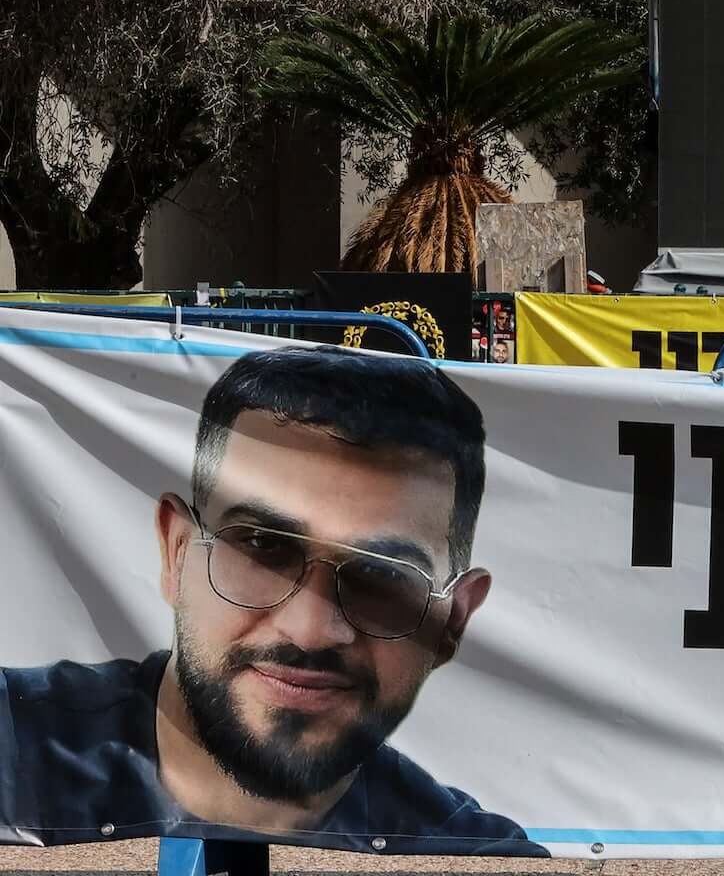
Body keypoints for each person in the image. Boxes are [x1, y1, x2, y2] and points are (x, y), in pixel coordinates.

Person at [0, 346, 541, 855]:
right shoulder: (10, 741)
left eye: (380, 576)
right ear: (177, 553)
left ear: (454, 619)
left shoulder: (479, 858)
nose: (310, 630)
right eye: (262, 547)